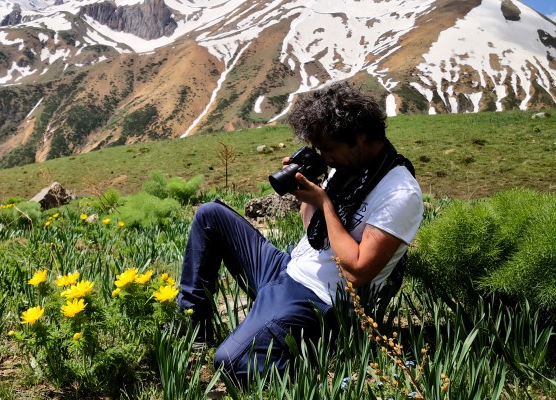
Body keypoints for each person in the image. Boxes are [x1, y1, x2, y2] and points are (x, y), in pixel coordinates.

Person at [177, 81, 424, 384]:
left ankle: (319, 371)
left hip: (319, 298)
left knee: (231, 362)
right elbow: (314, 232)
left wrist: (325, 202)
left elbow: (358, 271)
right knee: (210, 215)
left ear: (359, 138)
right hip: (288, 269)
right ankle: (195, 329)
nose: (327, 157)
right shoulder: (345, 168)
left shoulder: (399, 192)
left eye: (329, 149)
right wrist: (306, 192)